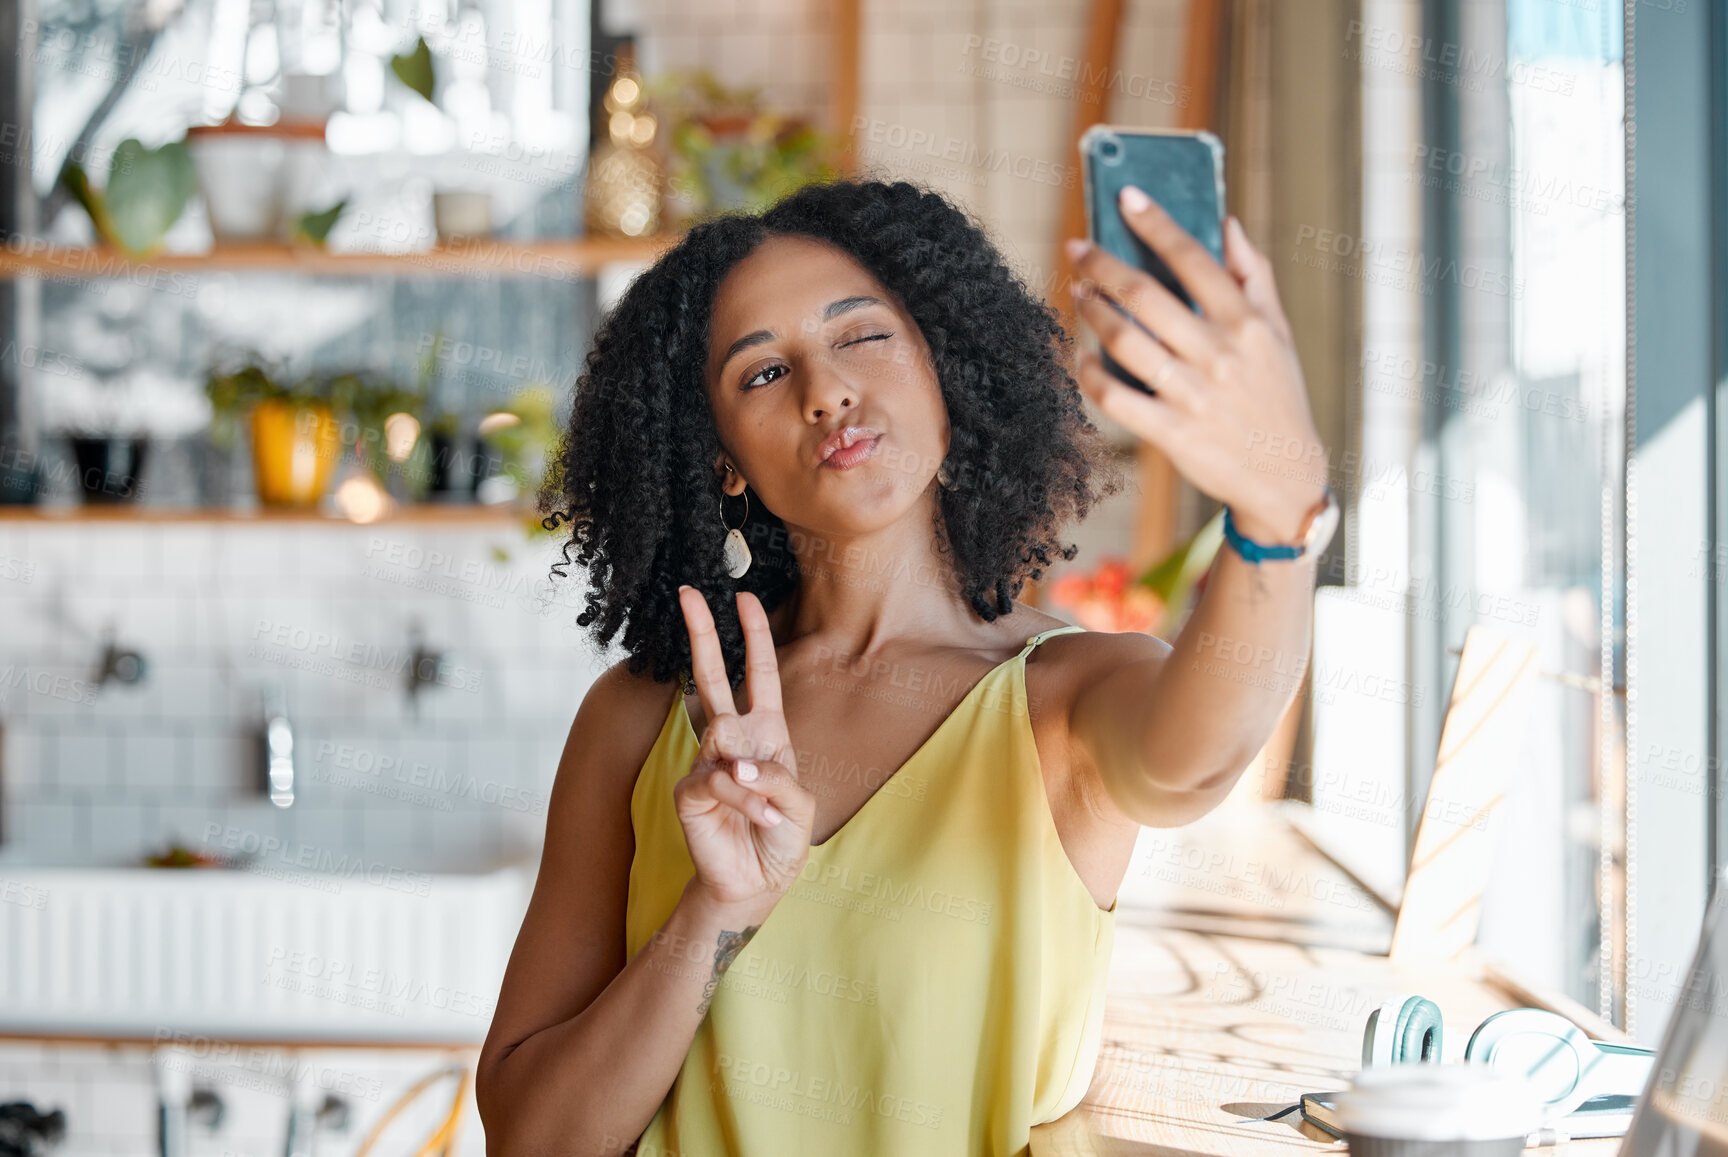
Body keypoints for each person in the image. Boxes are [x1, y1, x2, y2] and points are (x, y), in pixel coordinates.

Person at [475, 178, 1332, 1156]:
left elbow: (1201, 756)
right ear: (723, 461)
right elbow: (531, 1138)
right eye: (762, 373)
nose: (826, 389)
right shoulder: (639, 720)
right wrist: (713, 912)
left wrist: (1279, 515)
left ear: (941, 365)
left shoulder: (1065, 699)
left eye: (862, 335)